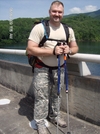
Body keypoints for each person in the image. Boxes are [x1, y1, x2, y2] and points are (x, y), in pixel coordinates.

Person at [26, 1, 78, 134]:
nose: (57, 14)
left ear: (63, 13)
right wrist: (52, 51)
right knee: (41, 96)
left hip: (60, 68)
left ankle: (55, 117)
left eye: (60, 12)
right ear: (49, 12)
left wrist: (69, 50)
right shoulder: (39, 28)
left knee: (57, 94)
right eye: (54, 11)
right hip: (41, 67)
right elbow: (30, 50)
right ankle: (40, 122)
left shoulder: (68, 30)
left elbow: (75, 47)